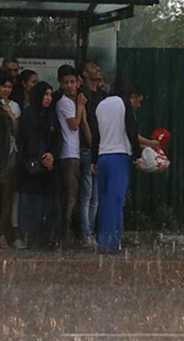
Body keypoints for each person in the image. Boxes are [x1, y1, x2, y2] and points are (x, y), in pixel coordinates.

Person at [92, 77, 142, 255]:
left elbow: (96, 134)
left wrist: (94, 160)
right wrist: (137, 156)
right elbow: (131, 130)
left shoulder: (101, 105)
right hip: (119, 157)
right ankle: (111, 243)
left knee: (104, 202)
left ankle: (102, 242)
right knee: (116, 201)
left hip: (103, 156)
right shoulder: (124, 104)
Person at [16, 82, 62, 248]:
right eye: (45, 94)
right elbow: (28, 140)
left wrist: (51, 156)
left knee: (51, 204)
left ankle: (47, 237)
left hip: (49, 167)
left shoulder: (51, 115)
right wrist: (41, 158)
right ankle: (27, 237)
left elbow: (57, 140)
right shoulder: (29, 114)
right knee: (30, 204)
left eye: (50, 95)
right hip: (32, 167)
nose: (48, 98)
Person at [0, 70, 21, 249]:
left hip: (10, 153)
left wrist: (11, 116)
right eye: (3, 86)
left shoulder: (14, 106)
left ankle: (3, 234)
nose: (6, 90)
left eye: (9, 87)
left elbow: (18, 133)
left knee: (7, 196)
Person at [77, 59, 107, 249]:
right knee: (87, 193)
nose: (98, 68)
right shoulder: (84, 95)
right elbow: (84, 122)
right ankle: (85, 233)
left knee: (95, 194)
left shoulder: (104, 95)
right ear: (85, 74)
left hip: (101, 147)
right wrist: (92, 144)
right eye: (93, 67)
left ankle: (91, 232)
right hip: (88, 148)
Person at [55, 64, 86, 243]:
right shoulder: (66, 103)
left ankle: (67, 235)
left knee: (71, 197)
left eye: (72, 82)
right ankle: (65, 237)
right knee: (70, 198)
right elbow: (74, 124)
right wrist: (81, 106)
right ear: (60, 83)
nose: (69, 86)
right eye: (65, 82)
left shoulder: (68, 101)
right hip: (68, 155)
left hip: (72, 154)